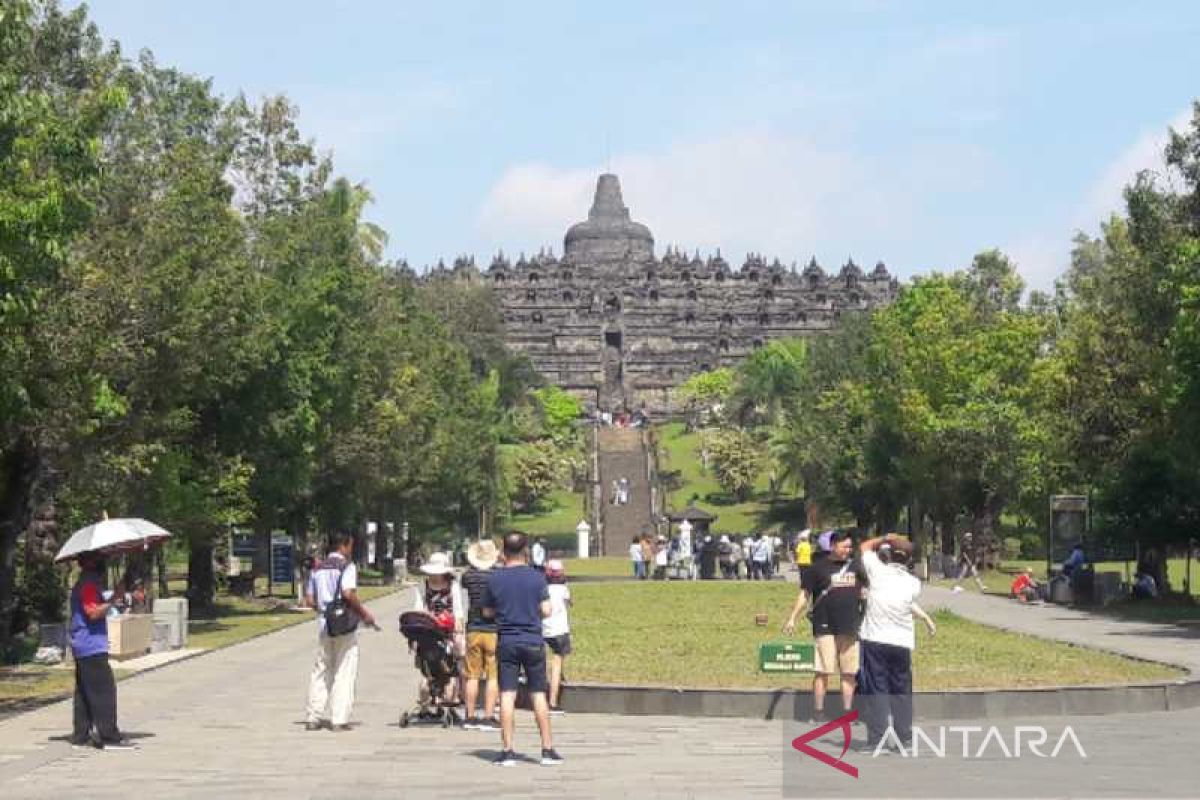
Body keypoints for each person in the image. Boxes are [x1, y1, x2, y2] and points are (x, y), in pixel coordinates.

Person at [482, 532, 563, 767]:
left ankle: (507, 751)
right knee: (538, 694)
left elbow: (487, 612)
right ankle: (547, 749)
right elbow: (546, 609)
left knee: (507, 694)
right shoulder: (536, 577)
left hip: (507, 640)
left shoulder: (495, 578)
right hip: (532, 640)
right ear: (525, 550)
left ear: (503, 552)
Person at [856, 534, 935, 753]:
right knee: (901, 690)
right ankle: (904, 738)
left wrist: (886, 536)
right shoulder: (913, 583)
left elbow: (864, 545)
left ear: (887, 555)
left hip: (875, 640)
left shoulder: (877, 571)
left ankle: (877, 739)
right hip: (901, 642)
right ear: (909, 561)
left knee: (877, 689)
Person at [782, 531, 864, 723]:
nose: (847, 550)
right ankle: (818, 711)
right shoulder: (816, 568)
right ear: (833, 545)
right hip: (824, 625)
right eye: (844, 546)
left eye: (850, 547)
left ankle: (847, 711)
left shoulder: (856, 567)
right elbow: (805, 595)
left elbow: (864, 591)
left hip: (850, 625)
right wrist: (792, 617)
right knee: (823, 670)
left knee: (849, 671)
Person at [305, 532, 378, 732]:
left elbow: (310, 600)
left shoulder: (317, 567)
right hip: (344, 624)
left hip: (323, 623)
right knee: (344, 670)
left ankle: (314, 716)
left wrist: (324, 610)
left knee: (321, 669)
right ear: (344, 546)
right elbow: (348, 593)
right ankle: (339, 718)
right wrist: (364, 614)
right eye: (350, 546)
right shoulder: (347, 566)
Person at [68, 554, 135, 750]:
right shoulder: (88, 584)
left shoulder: (85, 583)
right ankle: (108, 735)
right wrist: (114, 599)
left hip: (83, 644)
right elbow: (93, 612)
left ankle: (81, 735)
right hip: (91, 645)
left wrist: (117, 593)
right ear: (93, 564)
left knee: (85, 692)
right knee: (103, 690)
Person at [414, 551, 466, 706]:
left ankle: (456, 692)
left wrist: (459, 627)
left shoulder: (453, 585)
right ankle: (431, 691)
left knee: (456, 655)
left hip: (448, 628)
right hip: (429, 628)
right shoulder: (422, 585)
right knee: (428, 659)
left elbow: (458, 609)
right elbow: (418, 607)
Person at [461, 540, 501, 731]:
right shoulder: (497, 575)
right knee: (492, 675)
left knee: (472, 675)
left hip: (473, 628)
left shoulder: (468, 576)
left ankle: (469, 716)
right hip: (493, 629)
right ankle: (488, 716)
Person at [543, 559, 572, 714]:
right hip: (560, 629)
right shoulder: (563, 589)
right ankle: (553, 701)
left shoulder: (543, 588)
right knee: (557, 662)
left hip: (542, 628)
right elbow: (569, 602)